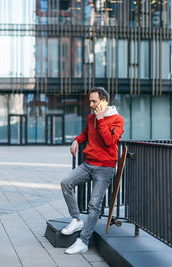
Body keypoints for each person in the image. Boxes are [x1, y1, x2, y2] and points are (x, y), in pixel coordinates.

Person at [60, 87, 124, 254]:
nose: (90, 104)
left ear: (104, 102)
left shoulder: (117, 120)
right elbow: (86, 134)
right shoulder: (91, 118)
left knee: (94, 205)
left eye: (94, 101)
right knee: (66, 183)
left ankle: (83, 241)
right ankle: (76, 219)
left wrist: (101, 119)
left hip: (105, 168)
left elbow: (110, 141)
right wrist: (76, 140)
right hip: (89, 164)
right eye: (90, 101)